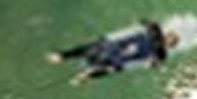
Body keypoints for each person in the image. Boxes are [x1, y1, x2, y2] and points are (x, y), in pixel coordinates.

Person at [47, 18, 182, 85]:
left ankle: (79, 70)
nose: (168, 41)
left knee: (104, 63)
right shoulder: (158, 41)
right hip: (114, 49)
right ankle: (64, 57)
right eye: (170, 38)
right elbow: (149, 23)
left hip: (117, 55)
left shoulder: (159, 48)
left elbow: (155, 63)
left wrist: (154, 63)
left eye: (171, 40)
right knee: (92, 51)